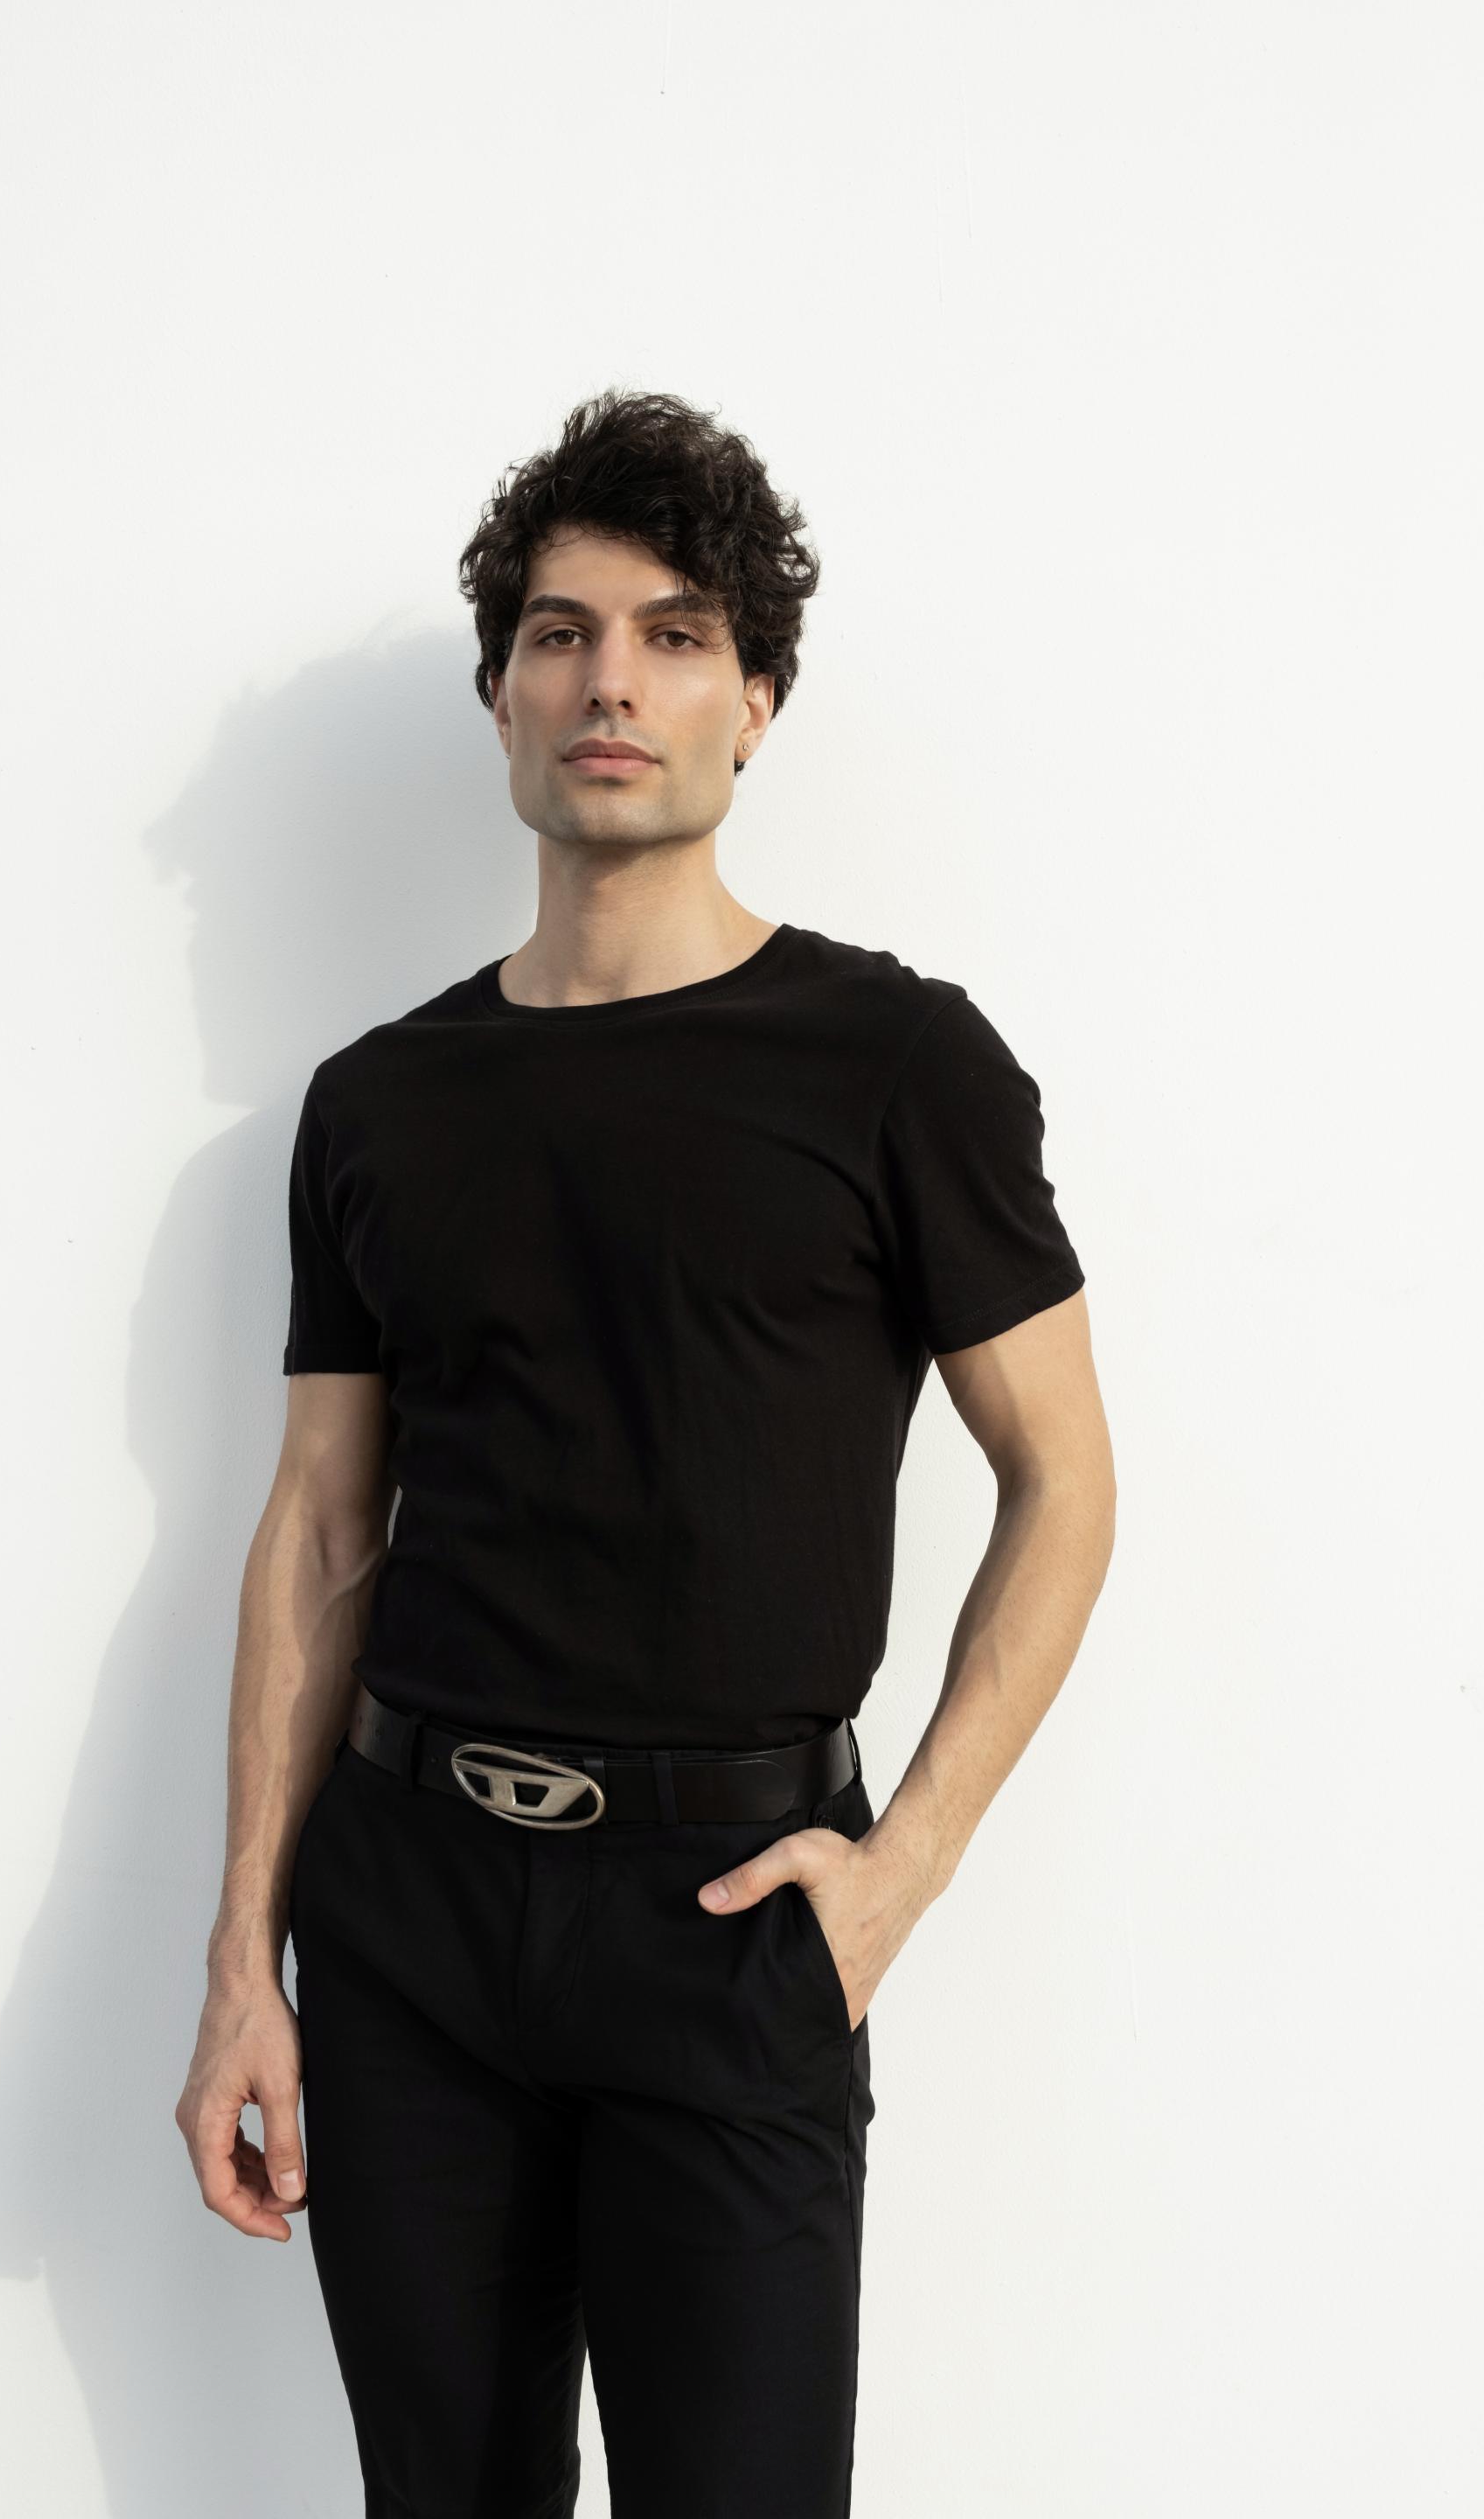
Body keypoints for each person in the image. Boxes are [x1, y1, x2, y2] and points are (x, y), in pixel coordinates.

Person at [175, 385, 1117, 2516]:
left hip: (732, 1918)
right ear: (503, 698)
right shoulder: (377, 1103)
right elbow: (321, 1528)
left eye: (676, 635)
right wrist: (246, 1958)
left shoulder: (897, 1062)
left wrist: (901, 1873)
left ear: (755, 702)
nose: (612, 682)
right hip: (408, 1924)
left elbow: (1065, 1479)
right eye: (561, 634)